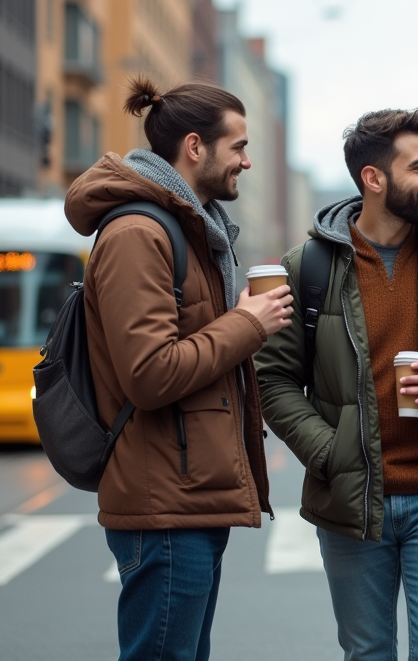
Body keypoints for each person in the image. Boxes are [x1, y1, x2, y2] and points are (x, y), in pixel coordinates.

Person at [256, 108, 418, 661]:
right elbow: (273, 381)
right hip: (352, 501)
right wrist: (330, 453)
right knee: (367, 651)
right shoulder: (307, 268)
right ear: (373, 178)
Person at [64, 77, 293, 661]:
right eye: (238, 147)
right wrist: (247, 324)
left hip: (187, 494)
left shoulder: (191, 228)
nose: (246, 161)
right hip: (164, 503)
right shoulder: (139, 234)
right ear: (195, 147)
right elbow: (150, 373)